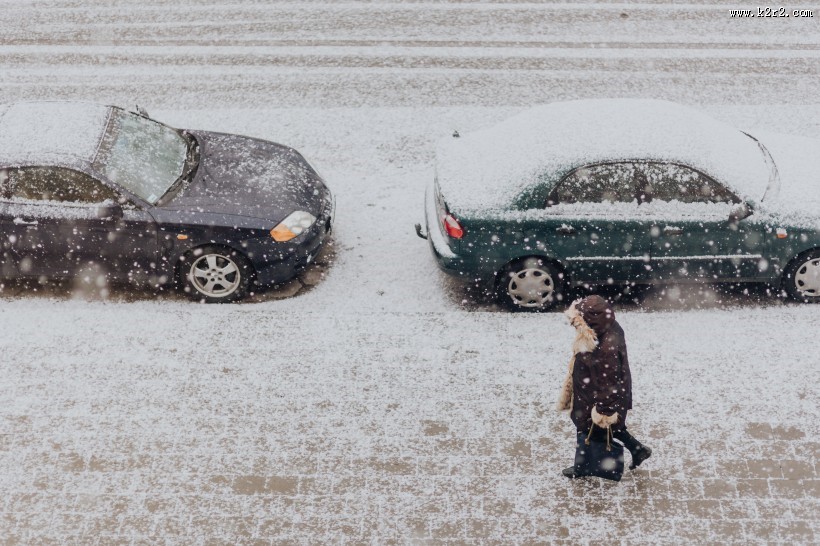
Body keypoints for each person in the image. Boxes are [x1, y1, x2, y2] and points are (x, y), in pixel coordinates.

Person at [556, 295, 651, 478]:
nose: (574, 325)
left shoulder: (605, 346)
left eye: (577, 321)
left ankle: (581, 468)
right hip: (590, 389)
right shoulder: (604, 330)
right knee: (606, 428)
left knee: (588, 429)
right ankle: (638, 450)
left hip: (594, 395)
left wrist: (604, 411)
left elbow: (608, 382)